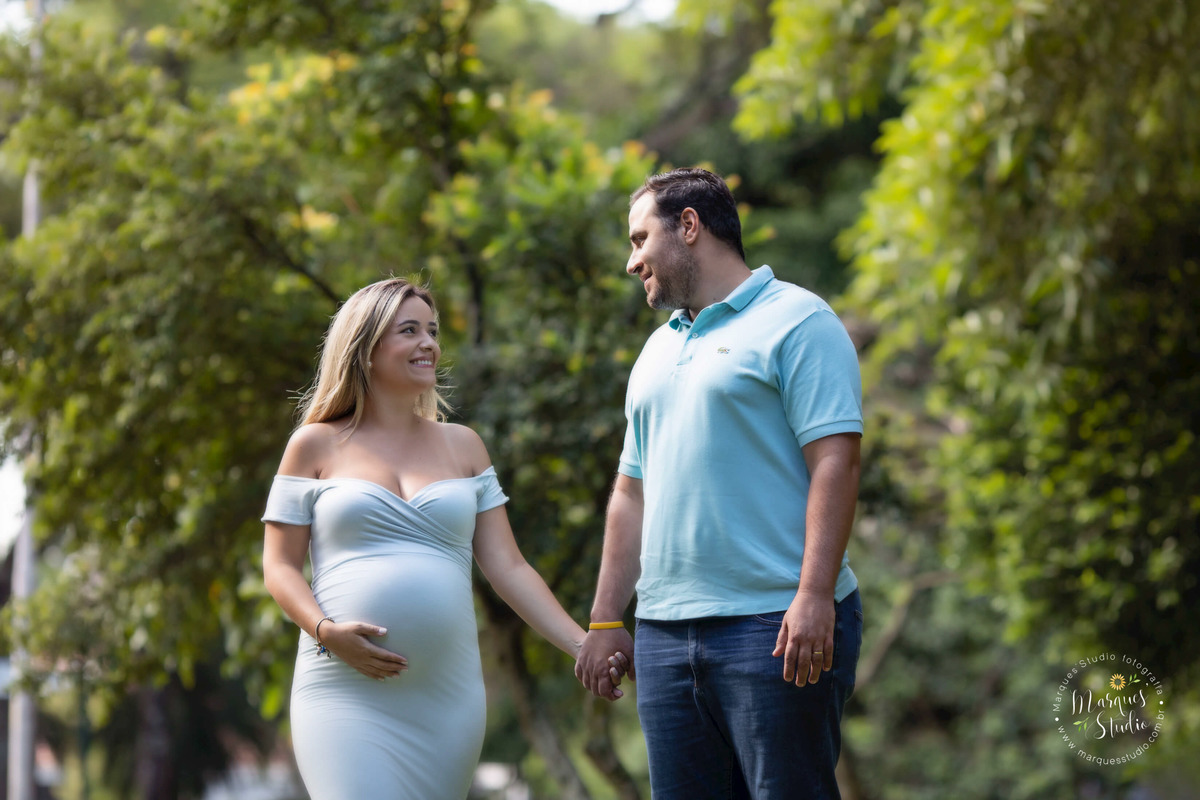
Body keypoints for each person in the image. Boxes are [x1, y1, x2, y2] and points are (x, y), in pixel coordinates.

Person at [575, 168, 864, 799]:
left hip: (775, 625)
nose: (632, 261)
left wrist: (814, 594)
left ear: (688, 225)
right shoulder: (656, 350)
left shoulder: (799, 319)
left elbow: (836, 463)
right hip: (664, 633)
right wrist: (604, 619)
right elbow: (631, 492)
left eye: (638, 239)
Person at [261, 278, 606, 799]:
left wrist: (584, 646)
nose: (429, 343)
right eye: (409, 331)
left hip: (447, 700)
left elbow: (508, 568)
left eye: (432, 331)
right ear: (366, 349)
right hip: (345, 692)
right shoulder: (313, 444)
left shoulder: (464, 446)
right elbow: (280, 567)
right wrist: (325, 631)